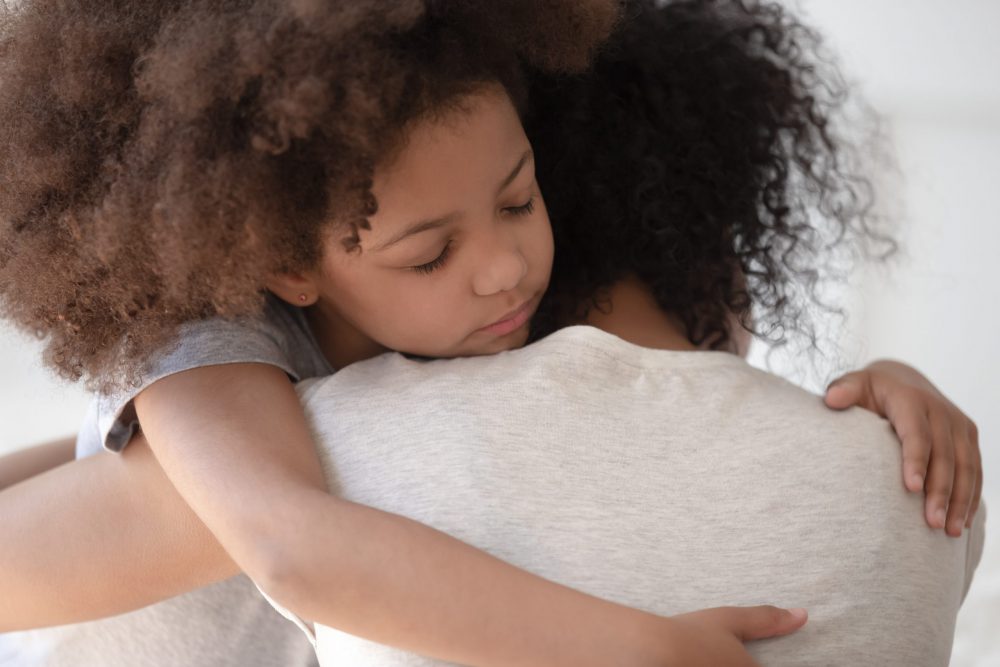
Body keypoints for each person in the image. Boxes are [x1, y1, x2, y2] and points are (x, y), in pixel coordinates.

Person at [0, 1, 981, 666]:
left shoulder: (468, 322)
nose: (504, 267)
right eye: (429, 255)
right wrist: (637, 647)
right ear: (288, 268)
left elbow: (690, 398)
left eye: (519, 198)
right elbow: (293, 549)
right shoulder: (206, 351)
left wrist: (882, 382)